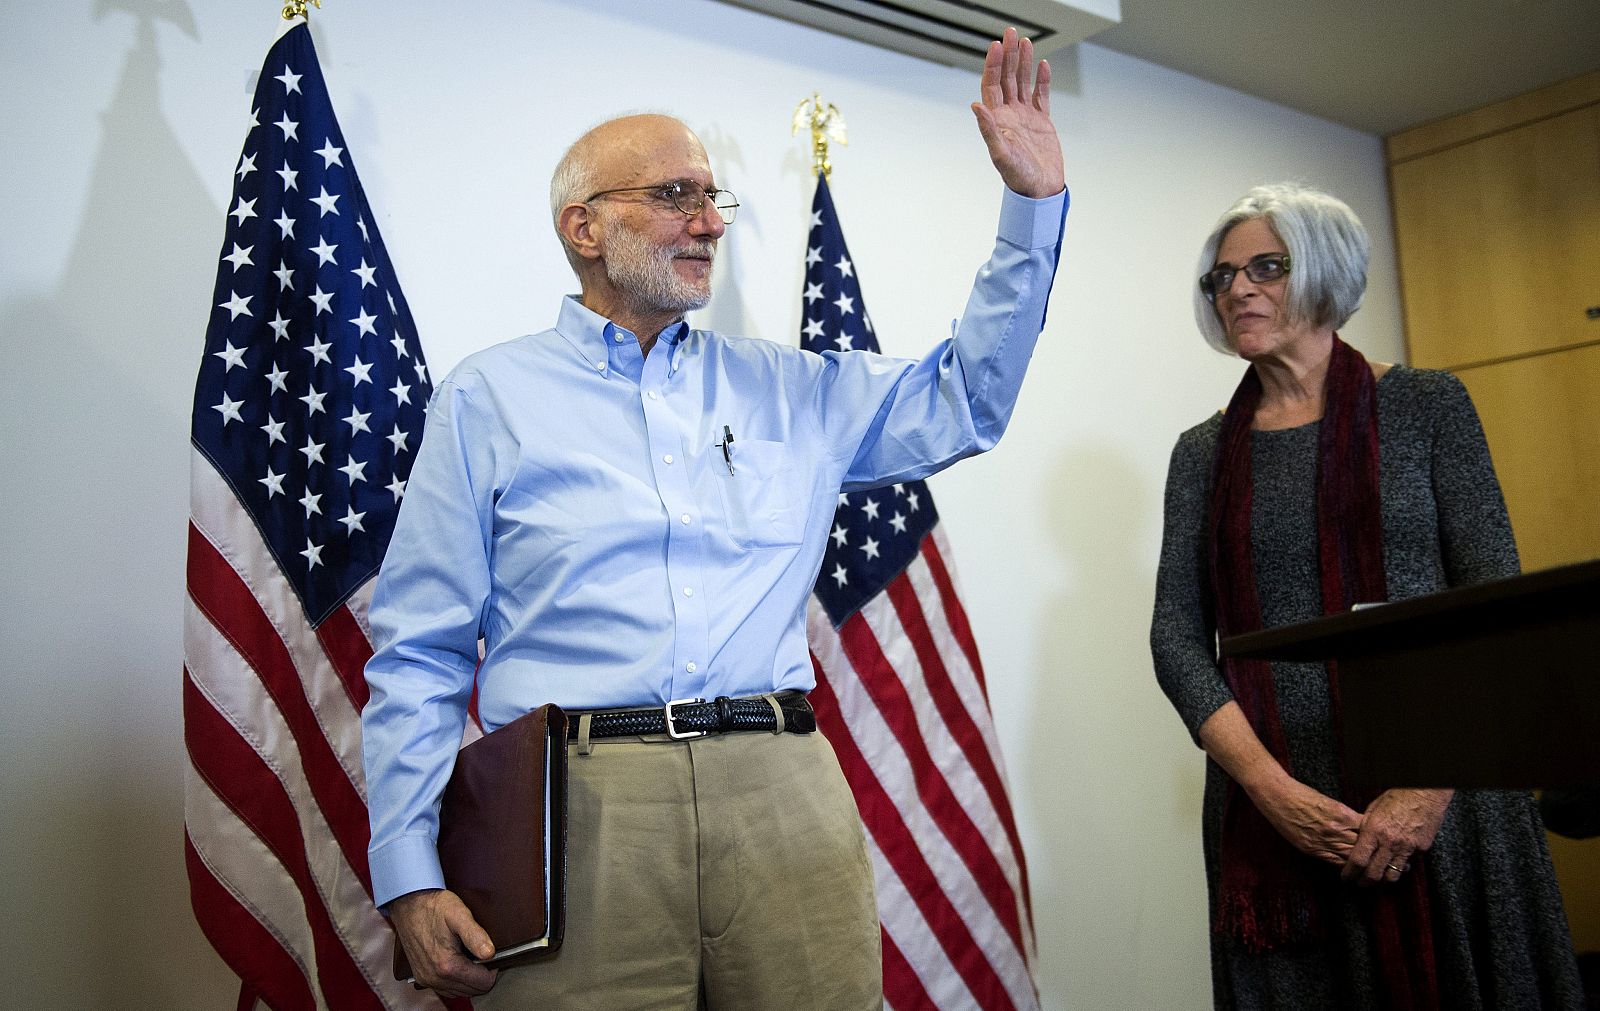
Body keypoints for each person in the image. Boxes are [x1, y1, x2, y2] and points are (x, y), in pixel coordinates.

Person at [360, 27, 1067, 1008]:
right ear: (583, 228)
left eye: (712, 197)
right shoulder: (488, 399)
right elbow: (421, 652)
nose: (708, 221)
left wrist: (1032, 206)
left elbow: (966, 402)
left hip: (780, 789)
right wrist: (408, 868)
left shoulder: (792, 389)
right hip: (582, 810)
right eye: (673, 195)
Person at [1150, 182, 1585, 1009]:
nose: (1236, 288)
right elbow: (1176, 640)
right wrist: (1275, 795)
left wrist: (1424, 793)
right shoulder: (1199, 453)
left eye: (1265, 267)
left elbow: (1497, 609)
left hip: (1446, 796)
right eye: (1222, 275)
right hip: (1277, 824)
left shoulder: (1428, 405)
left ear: (1324, 271)